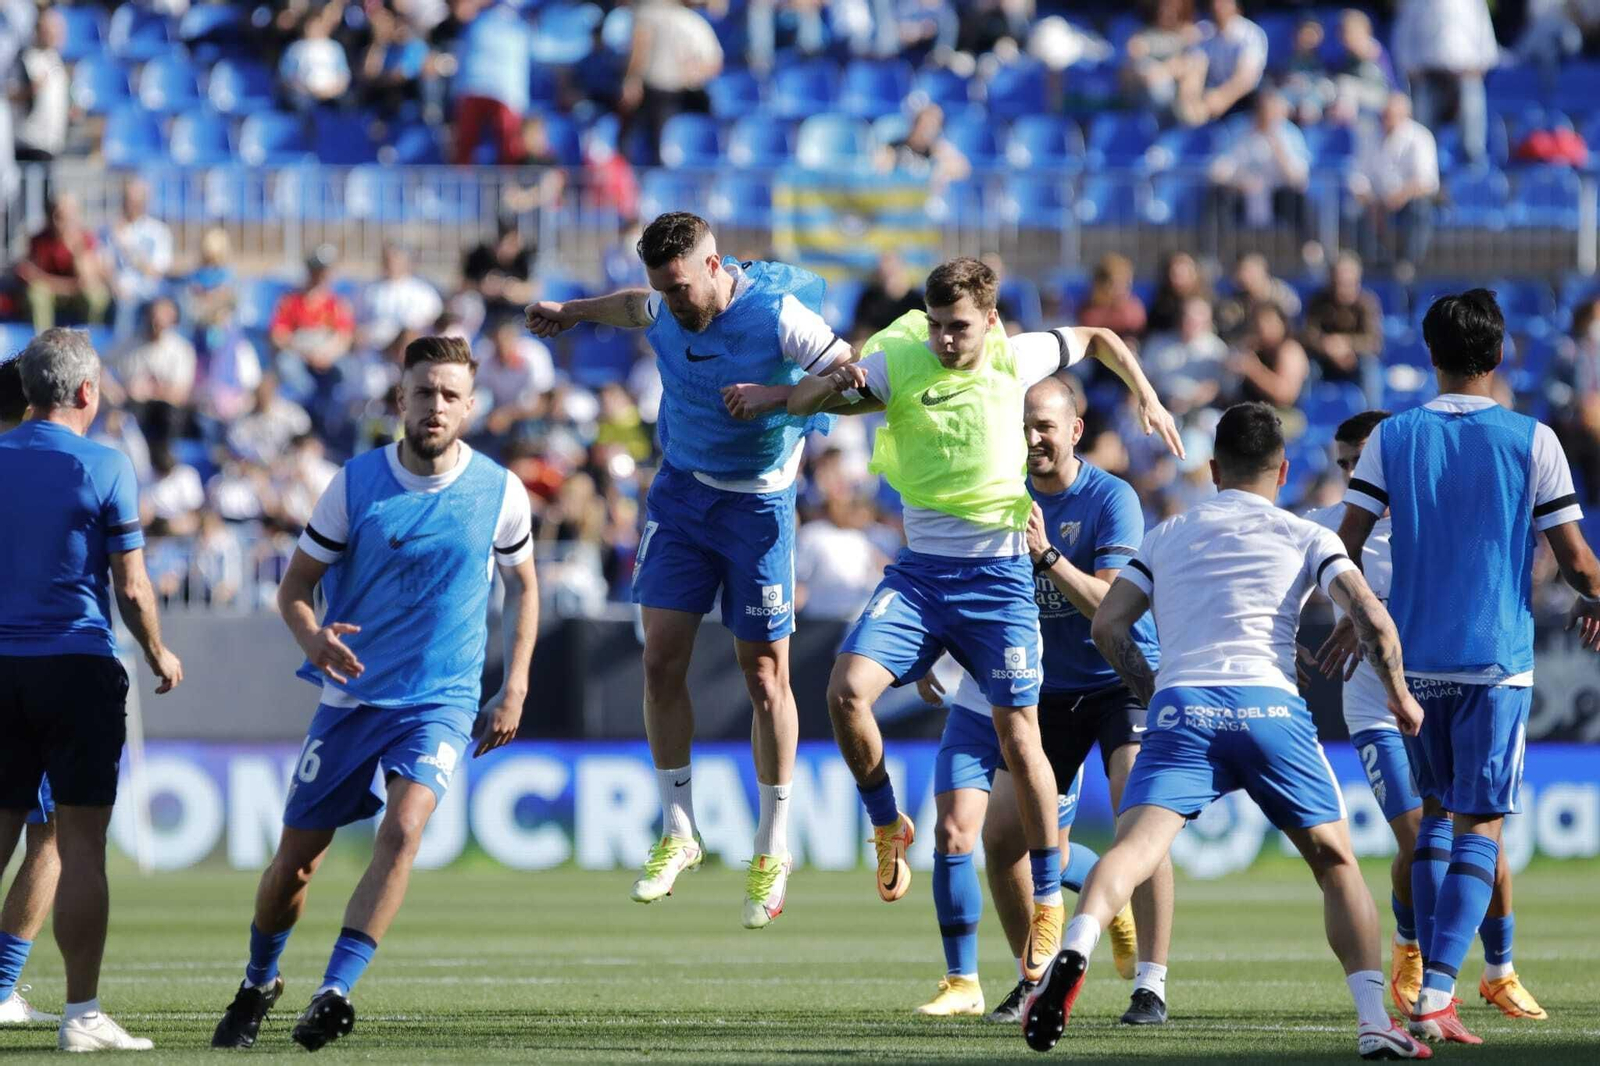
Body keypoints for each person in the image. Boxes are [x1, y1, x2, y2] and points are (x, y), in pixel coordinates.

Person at [787, 257, 1181, 990]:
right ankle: (886, 825)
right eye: (935, 325)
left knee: (1020, 741)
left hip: (1002, 584)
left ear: (991, 321)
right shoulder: (899, 356)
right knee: (845, 692)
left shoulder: (1019, 357)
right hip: (922, 573)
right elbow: (812, 404)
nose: (943, 340)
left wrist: (1148, 397)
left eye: (958, 327)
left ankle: (1051, 903)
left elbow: (1098, 336)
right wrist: (819, 386)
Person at [1021, 402, 1428, 1060]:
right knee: (1335, 863)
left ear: (1212, 469)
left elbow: (1107, 627)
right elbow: (1373, 620)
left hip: (1184, 708)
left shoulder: (1168, 534)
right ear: (1284, 469)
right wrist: (1400, 696)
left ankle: (1074, 950)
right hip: (1270, 708)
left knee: (1131, 851)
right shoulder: (1305, 534)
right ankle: (1373, 1019)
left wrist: (1156, 694)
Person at [209, 336, 539, 1052]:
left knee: (406, 828)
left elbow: (525, 588)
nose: (436, 406)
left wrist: (513, 686)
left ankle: (335, 990)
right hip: (352, 701)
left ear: (472, 405)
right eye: (424, 392)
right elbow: (294, 586)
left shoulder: (500, 491)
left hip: (442, 701)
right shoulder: (355, 484)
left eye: (451, 394)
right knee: (294, 865)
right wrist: (313, 638)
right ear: (401, 400)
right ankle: (259, 981)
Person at [525, 213, 854, 928]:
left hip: (760, 508)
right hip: (682, 495)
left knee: (765, 676)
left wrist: (777, 398)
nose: (672, 302)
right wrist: (572, 313)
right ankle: (679, 830)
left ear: (713, 267)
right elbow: (629, 308)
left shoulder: (780, 316)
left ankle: (772, 842)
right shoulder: (665, 302)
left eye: (681, 287)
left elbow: (855, 380)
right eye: (662, 290)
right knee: (659, 662)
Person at [1334, 290, 1600, 1044]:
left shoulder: (1394, 436)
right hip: (1494, 660)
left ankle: (1426, 979)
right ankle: (1437, 994)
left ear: (1430, 354)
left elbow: (1345, 542)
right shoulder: (1531, 438)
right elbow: (1578, 564)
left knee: (1438, 822)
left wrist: (1362, 616)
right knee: (1480, 823)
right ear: (1502, 352)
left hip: (1414, 667)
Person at [908, 377, 1176, 1026]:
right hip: (1042, 691)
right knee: (1001, 842)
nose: (1031, 439)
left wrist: (1048, 555)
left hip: (1121, 680)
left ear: (1074, 430)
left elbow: (1110, 608)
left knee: (1137, 816)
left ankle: (1151, 984)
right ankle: (1035, 978)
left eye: (1044, 427)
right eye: (1022, 427)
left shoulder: (1112, 499)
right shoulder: (1000, 496)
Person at [1305, 410, 1548, 1022]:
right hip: (1373, 703)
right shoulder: (1330, 528)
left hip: (1438, 686)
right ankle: (1417, 953)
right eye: (1344, 464)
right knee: (1419, 836)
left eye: (1363, 460)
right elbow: (1280, 580)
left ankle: (1499, 968)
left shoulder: (1428, 518)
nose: (1355, 473)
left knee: (1481, 837)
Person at [0, 328, 183, 1052]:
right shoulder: (105, 464)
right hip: (75, 664)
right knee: (80, 847)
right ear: (86, 393)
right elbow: (132, 586)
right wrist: (160, 651)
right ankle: (82, 1016)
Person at [1391, 0, 1496, 167]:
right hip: (1428, 76)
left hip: (1466, 74)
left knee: (1472, 137)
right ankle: (1428, 180)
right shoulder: (1414, 3)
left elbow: (1485, 34)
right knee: (1425, 134)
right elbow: (1403, 35)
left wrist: (1482, 65)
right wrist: (1409, 66)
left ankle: (1474, 177)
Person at [1349, 93, 1439, 278]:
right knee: (1351, 212)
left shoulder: (1420, 137)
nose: (1386, 120)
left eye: (1391, 115)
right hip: (1377, 201)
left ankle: (1408, 263)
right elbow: (1358, 176)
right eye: (1384, 114)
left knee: (1420, 209)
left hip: (1408, 199)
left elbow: (1426, 181)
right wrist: (1370, 201)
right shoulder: (1369, 135)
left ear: (1406, 115)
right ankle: (1374, 263)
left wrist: (1398, 197)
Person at [16, 193, 110, 332]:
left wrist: (77, 251)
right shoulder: (39, 240)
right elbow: (31, 276)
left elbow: (87, 281)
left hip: (74, 294)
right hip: (52, 294)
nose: (61, 222)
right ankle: (43, 341)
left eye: (68, 217)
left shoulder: (86, 239)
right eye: (58, 216)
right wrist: (65, 287)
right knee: (37, 294)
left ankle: (89, 342)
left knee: (97, 296)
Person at [1302, 251, 1383, 397]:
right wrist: (1327, 346)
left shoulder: (1367, 303)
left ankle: (1372, 416)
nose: (1342, 289)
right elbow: (1309, 335)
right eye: (1337, 283)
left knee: (1370, 368)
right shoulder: (1318, 301)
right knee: (1307, 368)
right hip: (1324, 357)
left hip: (1355, 358)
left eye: (1347, 283)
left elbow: (1373, 341)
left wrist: (1346, 344)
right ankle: (1306, 414)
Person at [102, 177, 173, 341]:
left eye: (134, 201)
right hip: (117, 289)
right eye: (126, 200)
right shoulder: (108, 230)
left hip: (149, 290)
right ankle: (117, 357)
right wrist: (114, 286)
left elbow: (155, 272)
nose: (129, 206)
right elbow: (104, 266)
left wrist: (128, 248)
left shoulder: (158, 231)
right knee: (123, 301)